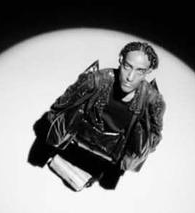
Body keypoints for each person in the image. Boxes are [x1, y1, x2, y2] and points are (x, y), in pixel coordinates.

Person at [32, 41, 166, 190]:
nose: (130, 77)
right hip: (80, 137)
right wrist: (56, 131)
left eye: (140, 71)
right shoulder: (96, 81)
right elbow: (60, 106)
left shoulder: (152, 101)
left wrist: (136, 151)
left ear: (149, 71)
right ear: (121, 60)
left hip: (113, 152)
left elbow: (154, 136)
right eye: (127, 66)